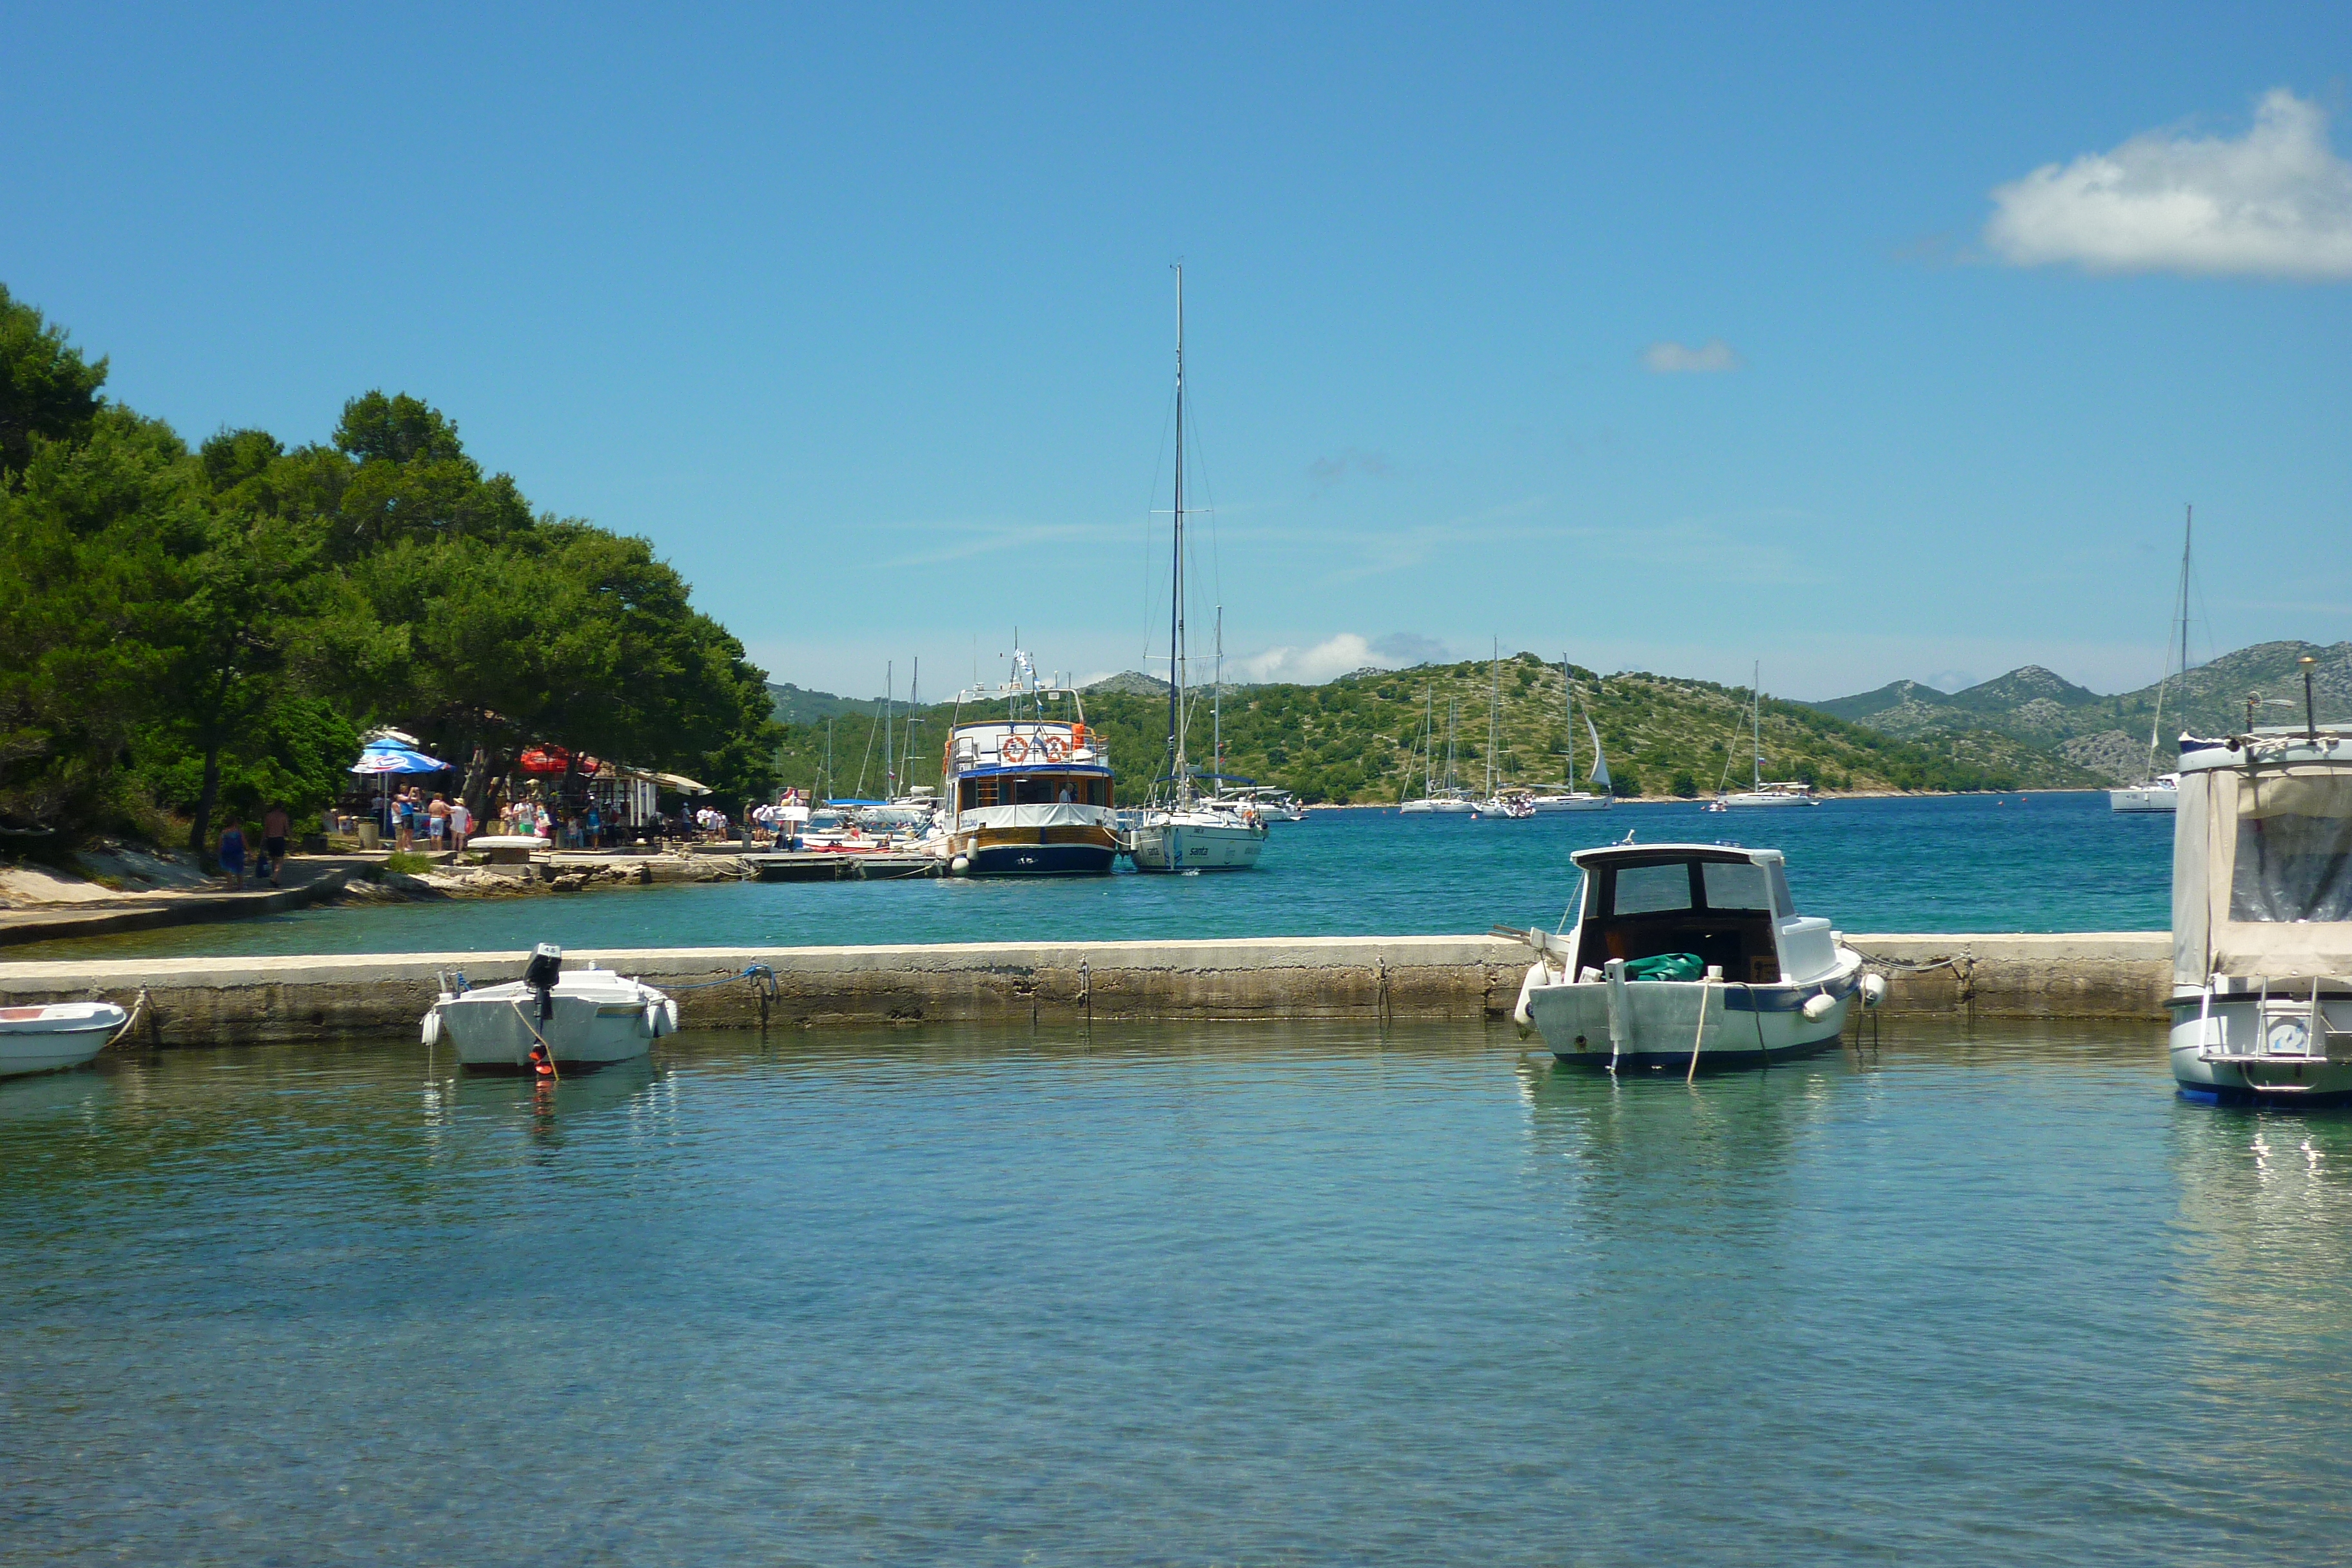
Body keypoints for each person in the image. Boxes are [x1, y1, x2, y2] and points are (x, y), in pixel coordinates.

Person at [261, 802, 290, 889]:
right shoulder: (283, 816)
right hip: (279, 839)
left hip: (270, 839)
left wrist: (262, 840)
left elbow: (266, 829)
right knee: (280, 860)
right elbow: (287, 829)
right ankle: (274, 878)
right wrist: (291, 838)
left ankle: (277, 880)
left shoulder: (269, 816)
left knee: (274, 860)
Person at [219, 819, 248, 891]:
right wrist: (249, 850)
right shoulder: (238, 832)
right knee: (239, 868)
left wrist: (220, 850)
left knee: (228, 868)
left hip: (226, 851)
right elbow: (244, 842)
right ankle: (240, 885)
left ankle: (230, 885)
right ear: (234, 823)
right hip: (238, 851)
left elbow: (220, 842)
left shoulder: (224, 832)